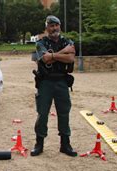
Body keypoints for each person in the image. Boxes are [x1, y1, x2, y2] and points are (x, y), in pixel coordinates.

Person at [31, 15, 77, 157]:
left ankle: (65, 144)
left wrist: (53, 56)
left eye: (56, 25)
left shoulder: (67, 41)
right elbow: (44, 58)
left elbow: (71, 58)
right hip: (45, 82)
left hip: (62, 81)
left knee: (64, 113)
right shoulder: (40, 43)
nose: (54, 28)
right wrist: (63, 53)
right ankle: (39, 143)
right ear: (46, 28)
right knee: (43, 113)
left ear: (60, 26)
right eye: (51, 25)